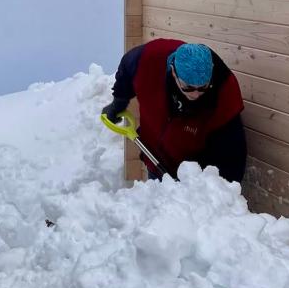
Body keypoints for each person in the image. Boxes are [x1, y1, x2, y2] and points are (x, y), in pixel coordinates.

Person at [102, 38, 247, 183]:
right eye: (188, 87)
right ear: (173, 72)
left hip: (190, 176)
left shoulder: (224, 94)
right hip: (154, 158)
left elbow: (232, 154)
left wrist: (212, 189)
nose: (196, 94)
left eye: (203, 87)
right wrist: (118, 102)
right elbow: (127, 67)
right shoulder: (151, 58)